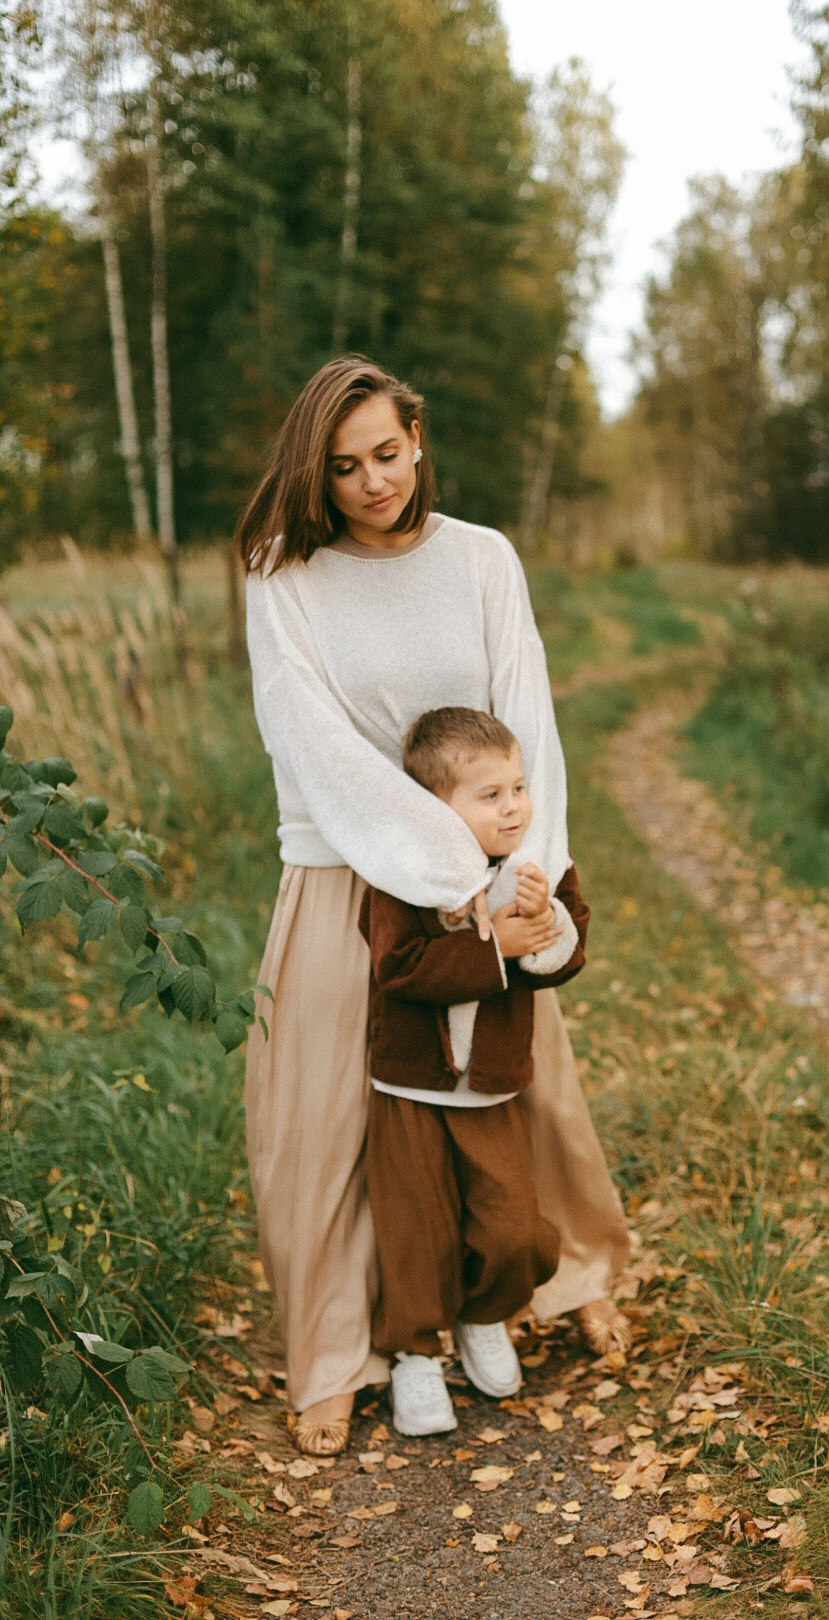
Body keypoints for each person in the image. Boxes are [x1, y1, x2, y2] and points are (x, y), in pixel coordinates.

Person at [239, 355, 630, 1456]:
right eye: (345, 466)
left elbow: (528, 720)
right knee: (323, 1121)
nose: (372, 482)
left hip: (488, 873)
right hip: (340, 872)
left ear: (417, 436)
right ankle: (332, 1354)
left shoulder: (482, 558)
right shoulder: (284, 572)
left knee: (517, 1086)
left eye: (388, 453)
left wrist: (523, 885)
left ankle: (561, 1279)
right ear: (314, 472)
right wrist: (447, 873)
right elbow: (313, 747)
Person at [363, 706, 589, 1436]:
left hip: (491, 1086)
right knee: (416, 1227)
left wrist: (544, 929)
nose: (514, 807)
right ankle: (415, 1355)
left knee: (512, 1227)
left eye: (518, 787)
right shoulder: (401, 870)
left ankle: (485, 1314)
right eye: (489, 796)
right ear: (436, 808)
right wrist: (497, 949)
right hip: (410, 1084)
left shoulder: (538, 862)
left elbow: (569, 952)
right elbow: (397, 967)